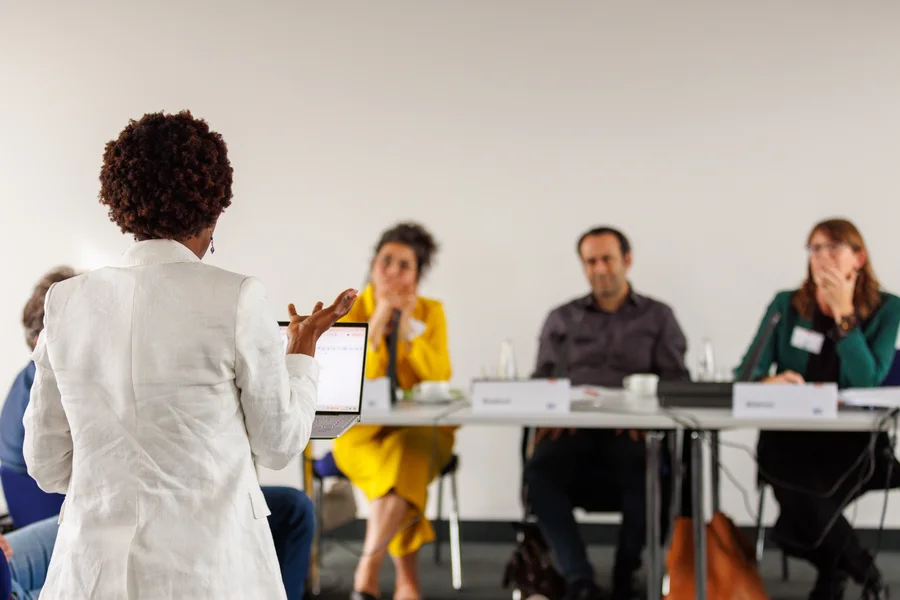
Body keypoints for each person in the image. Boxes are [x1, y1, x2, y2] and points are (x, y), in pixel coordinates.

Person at [21, 110, 357, 599]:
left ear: (122, 203)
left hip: (90, 577)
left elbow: (46, 465)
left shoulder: (66, 302)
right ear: (215, 207)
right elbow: (280, 444)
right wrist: (301, 353)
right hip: (209, 574)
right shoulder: (238, 296)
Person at [735, 218, 900, 600]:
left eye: (833, 247)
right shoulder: (787, 305)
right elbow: (746, 371)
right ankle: (863, 569)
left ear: (858, 257)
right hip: (789, 435)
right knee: (792, 478)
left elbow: (866, 384)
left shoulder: (887, 309)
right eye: (815, 249)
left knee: (795, 519)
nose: (822, 257)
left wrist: (845, 317)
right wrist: (767, 382)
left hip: (852, 439)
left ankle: (831, 571)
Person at [523, 226, 689, 600]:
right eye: (591, 261)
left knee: (647, 473)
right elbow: (539, 381)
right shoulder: (563, 318)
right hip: (571, 430)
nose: (600, 269)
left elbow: (677, 381)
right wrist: (547, 410)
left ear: (626, 261)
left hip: (632, 432)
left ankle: (625, 574)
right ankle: (579, 578)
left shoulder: (658, 317)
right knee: (539, 473)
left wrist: (645, 416)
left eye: (607, 259)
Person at [331, 222, 453, 600]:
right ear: (372, 264)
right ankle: (407, 584)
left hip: (422, 428)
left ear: (418, 275)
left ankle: (368, 570)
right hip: (359, 432)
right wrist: (380, 318)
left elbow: (440, 378)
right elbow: (349, 384)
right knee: (401, 469)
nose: (394, 272)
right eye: (387, 261)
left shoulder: (431, 313)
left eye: (405, 265)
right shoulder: (349, 310)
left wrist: (408, 333)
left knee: (405, 455)